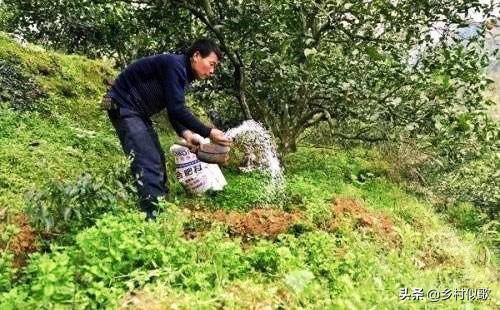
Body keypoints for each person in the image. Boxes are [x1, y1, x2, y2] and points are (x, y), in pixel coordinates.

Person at [103, 38, 232, 220]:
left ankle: (162, 210)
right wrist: (209, 132)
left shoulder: (182, 73)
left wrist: (187, 135)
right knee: (148, 162)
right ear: (196, 56)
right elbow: (177, 109)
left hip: (137, 112)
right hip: (123, 106)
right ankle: (153, 220)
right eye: (211, 64)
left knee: (157, 158)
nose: (212, 71)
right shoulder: (175, 65)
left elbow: (173, 108)